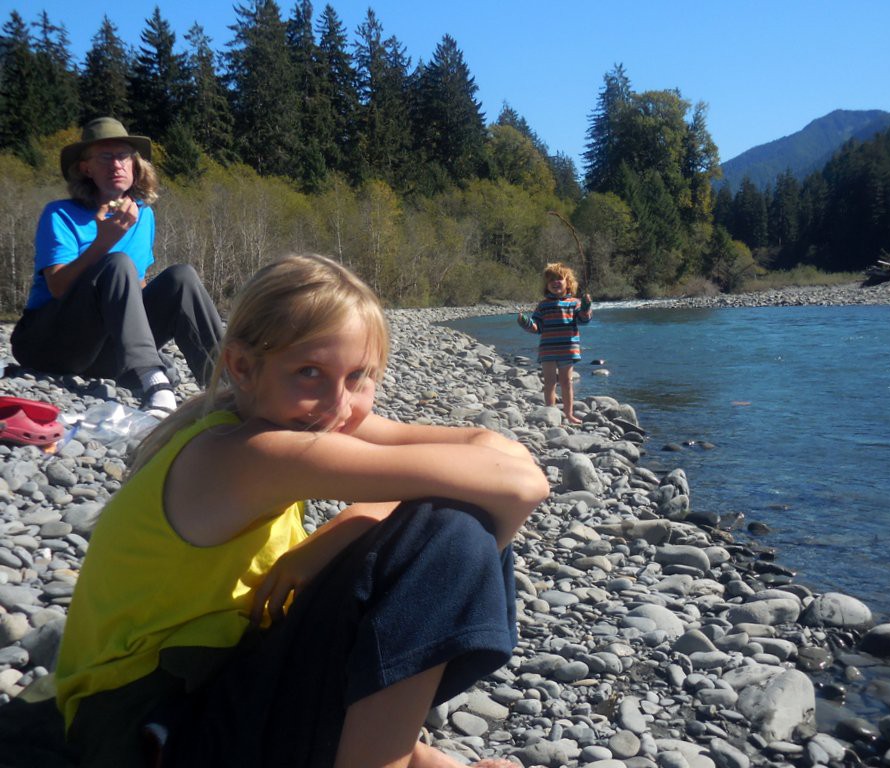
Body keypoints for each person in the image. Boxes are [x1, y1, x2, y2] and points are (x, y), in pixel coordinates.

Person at [53, 253, 548, 768]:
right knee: (452, 531)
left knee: (445, 511)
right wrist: (375, 529)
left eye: (359, 375)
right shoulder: (257, 452)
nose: (339, 404)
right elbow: (519, 486)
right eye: (310, 371)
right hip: (144, 735)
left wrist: (344, 526)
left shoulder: (282, 411)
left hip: (195, 698)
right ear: (243, 366)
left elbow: (493, 446)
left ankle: (405, 755)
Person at [10, 117, 223, 417]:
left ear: (135, 165)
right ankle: (154, 380)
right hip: (48, 345)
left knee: (181, 277)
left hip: (103, 356)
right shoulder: (60, 214)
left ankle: (226, 387)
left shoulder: (143, 215)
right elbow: (57, 287)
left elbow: (134, 287)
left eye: (123, 156)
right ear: (86, 168)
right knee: (116, 263)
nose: (116, 165)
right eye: (105, 157)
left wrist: (147, 336)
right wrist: (103, 243)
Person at [517, 262, 593, 424]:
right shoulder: (543, 305)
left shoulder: (574, 302)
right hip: (548, 350)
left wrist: (586, 307)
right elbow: (537, 327)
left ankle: (569, 414)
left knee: (566, 382)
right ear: (546, 285)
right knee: (550, 382)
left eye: (559, 278)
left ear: (568, 283)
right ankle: (550, 412)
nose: (555, 282)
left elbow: (583, 320)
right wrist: (526, 322)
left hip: (568, 349)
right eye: (551, 280)